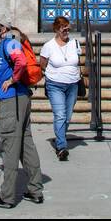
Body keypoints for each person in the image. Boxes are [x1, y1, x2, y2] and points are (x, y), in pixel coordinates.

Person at [0, 26, 43, 208]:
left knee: (10, 145)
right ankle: (35, 189)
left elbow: (20, 61)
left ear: (2, 28)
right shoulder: (5, 43)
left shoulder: (10, 41)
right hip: (20, 99)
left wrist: (12, 80)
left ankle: (7, 196)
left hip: (13, 100)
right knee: (26, 144)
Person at [39, 16, 82, 162]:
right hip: (55, 84)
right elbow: (42, 64)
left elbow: (79, 62)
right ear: (57, 29)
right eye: (64, 29)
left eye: (68, 29)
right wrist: (53, 74)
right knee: (60, 115)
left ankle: (60, 138)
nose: (66, 31)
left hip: (73, 84)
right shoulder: (48, 46)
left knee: (67, 116)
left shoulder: (75, 43)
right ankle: (61, 146)